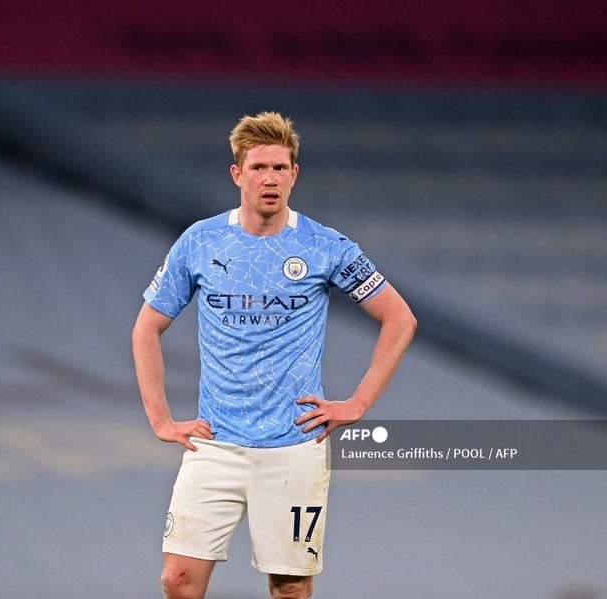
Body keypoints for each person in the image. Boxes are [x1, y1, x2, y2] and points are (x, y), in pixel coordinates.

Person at [132, 111, 417, 599]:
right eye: (259, 168)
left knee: (290, 588)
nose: (270, 179)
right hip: (216, 445)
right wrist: (161, 420)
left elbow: (399, 319)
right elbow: (146, 328)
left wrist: (357, 404)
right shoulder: (201, 241)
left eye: (280, 168)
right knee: (177, 580)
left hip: (293, 448)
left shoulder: (325, 246)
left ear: (294, 174)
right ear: (237, 174)